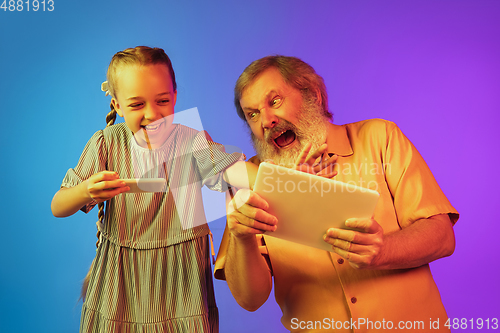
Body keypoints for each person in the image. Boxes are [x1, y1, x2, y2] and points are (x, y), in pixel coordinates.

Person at [51, 47, 333, 333]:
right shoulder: (105, 143)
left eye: (162, 101)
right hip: (121, 281)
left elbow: (235, 172)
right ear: (117, 105)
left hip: (180, 283)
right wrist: (87, 190)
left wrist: (290, 177)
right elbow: (58, 206)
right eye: (137, 105)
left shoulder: (191, 140)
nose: (152, 114)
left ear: (175, 96)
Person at [215, 55, 459, 332]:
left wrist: (383, 251)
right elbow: (250, 300)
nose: (266, 121)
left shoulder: (381, 138)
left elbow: (442, 237)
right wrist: (241, 237)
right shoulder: (247, 181)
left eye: (275, 101)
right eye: (253, 114)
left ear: (315, 96)